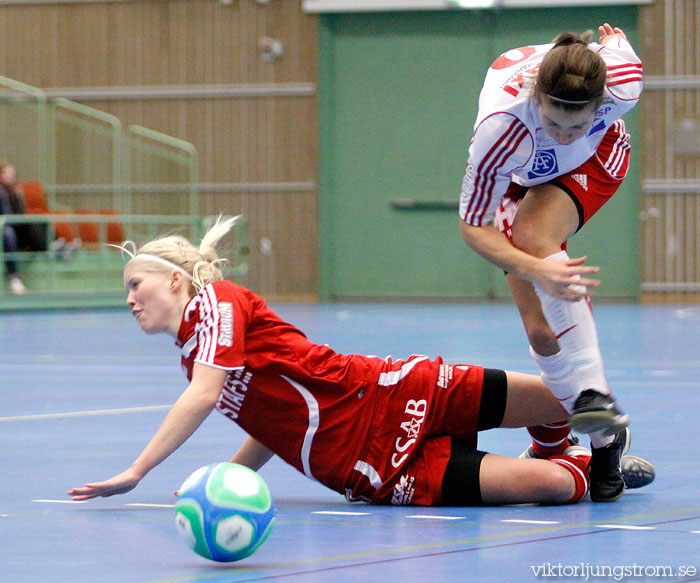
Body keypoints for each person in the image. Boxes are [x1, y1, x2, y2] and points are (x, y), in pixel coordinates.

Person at [68, 217, 653, 507]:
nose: (128, 299)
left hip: (389, 391)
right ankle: (572, 467)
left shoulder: (219, 305)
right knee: (551, 489)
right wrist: (235, 478)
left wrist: (135, 471)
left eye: (134, 283)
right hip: (367, 463)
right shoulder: (194, 355)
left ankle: (565, 447)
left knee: (568, 400)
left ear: (175, 280)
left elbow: (200, 397)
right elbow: (277, 425)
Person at [458, 24, 643, 502]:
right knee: (542, 332)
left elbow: (618, 49)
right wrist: (539, 270)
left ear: (601, 106)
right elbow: (473, 228)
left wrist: (613, 41)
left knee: (533, 234)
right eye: (554, 123)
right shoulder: (501, 128)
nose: (563, 135)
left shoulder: (622, 85)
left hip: (597, 160)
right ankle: (594, 440)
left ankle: (594, 406)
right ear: (537, 97)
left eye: (576, 124)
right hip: (520, 177)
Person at [0, 163, 30, 295]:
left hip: (12, 224)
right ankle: (13, 276)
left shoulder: (15, 193)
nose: (8, 176)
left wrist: (18, 198)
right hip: (4, 228)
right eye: (5, 173)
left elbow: (19, 214)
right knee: (8, 233)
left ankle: (55, 244)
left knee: (35, 224)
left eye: (11, 174)